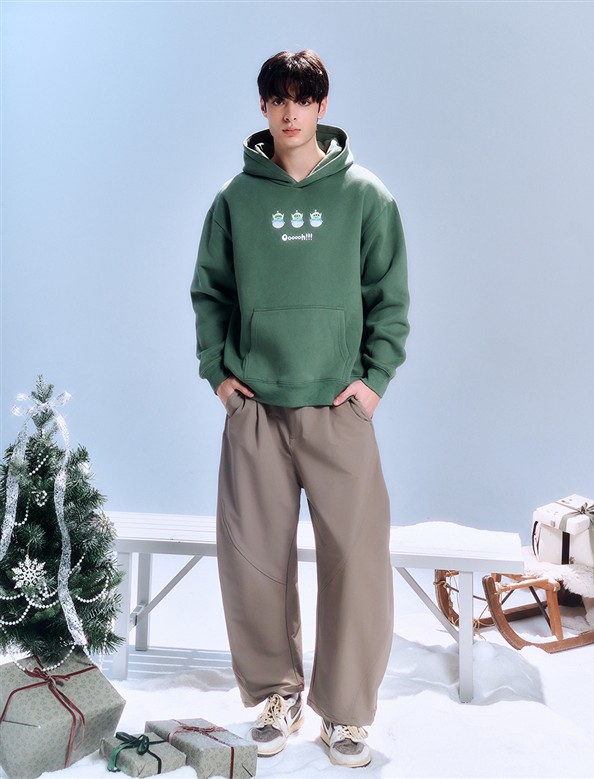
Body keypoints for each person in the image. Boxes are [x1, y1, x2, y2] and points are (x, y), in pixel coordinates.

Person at [191, 49, 409, 769]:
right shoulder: (235, 199)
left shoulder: (365, 196)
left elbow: (389, 297)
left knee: (357, 560)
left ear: (322, 105)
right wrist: (219, 376)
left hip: (338, 409)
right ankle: (275, 696)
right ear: (263, 107)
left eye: (303, 98)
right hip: (256, 408)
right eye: (278, 99)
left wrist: (374, 380)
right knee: (252, 560)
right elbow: (210, 293)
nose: (291, 112)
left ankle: (345, 713)